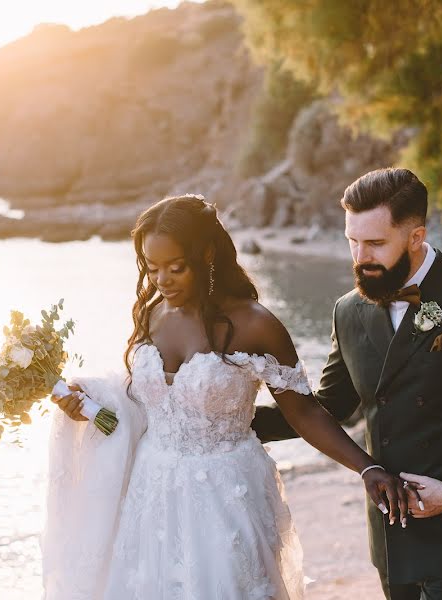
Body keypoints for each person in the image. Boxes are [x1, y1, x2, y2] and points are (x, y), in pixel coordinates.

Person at [46, 194, 409, 599]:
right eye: (153, 269)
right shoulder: (150, 315)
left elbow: (304, 411)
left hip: (227, 493)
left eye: (175, 268)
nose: (162, 281)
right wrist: (90, 403)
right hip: (152, 493)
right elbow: (144, 402)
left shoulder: (255, 325)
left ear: (205, 255)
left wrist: (365, 467)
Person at [251, 168, 442, 599]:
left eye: (375, 243)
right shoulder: (347, 310)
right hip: (392, 530)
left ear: (416, 237)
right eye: (352, 241)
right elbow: (329, 407)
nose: (360, 257)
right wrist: (233, 420)